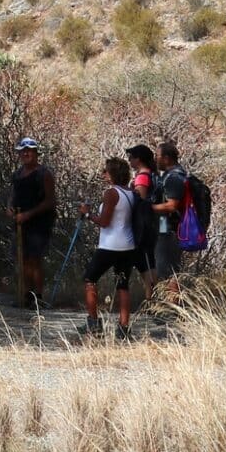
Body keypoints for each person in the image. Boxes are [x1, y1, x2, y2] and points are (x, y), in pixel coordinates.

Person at [76, 156, 144, 341]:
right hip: (128, 245)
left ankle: (94, 323)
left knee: (90, 279)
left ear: (113, 173)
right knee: (122, 285)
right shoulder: (130, 192)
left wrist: (88, 214)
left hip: (110, 245)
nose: (103, 174)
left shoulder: (111, 193)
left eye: (106, 171)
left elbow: (104, 222)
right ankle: (123, 327)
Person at [10, 138, 56, 307]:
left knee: (34, 260)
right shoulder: (18, 174)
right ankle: (26, 295)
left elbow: (50, 201)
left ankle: (38, 297)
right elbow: (13, 195)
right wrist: (10, 208)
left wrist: (29, 214)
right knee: (22, 259)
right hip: (21, 222)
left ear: (36, 153)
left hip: (39, 224)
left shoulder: (44, 174)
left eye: (29, 150)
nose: (26, 153)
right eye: (23, 151)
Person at [148, 139, 190, 308]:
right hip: (170, 229)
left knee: (168, 271)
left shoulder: (173, 178)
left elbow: (171, 205)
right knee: (168, 270)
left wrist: (149, 208)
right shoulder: (175, 175)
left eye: (157, 156)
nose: (155, 159)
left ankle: (171, 309)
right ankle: (170, 307)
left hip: (170, 230)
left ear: (166, 158)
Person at [125, 144, 158, 302]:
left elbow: (140, 199)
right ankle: (152, 296)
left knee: (144, 261)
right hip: (150, 223)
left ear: (138, 159)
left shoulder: (143, 176)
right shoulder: (151, 174)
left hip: (143, 224)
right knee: (149, 260)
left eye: (131, 157)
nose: (129, 160)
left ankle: (150, 297)